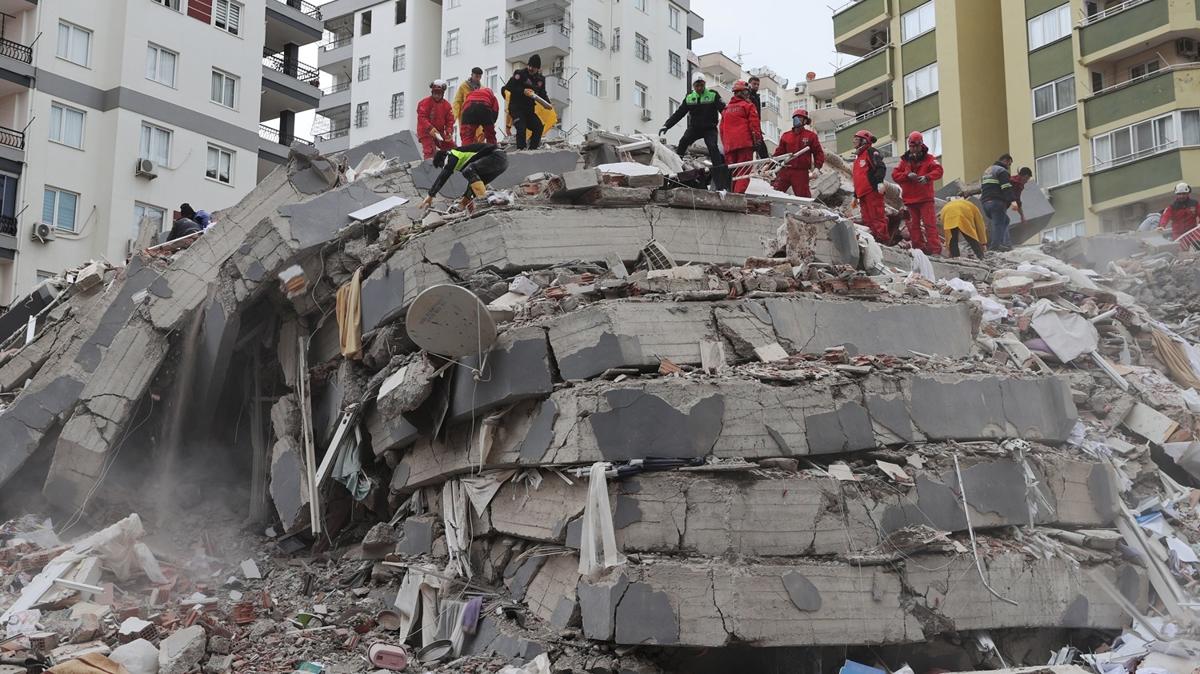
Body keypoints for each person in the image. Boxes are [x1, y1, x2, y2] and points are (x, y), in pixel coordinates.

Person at [892, 131, 945, 255]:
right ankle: (919, 251)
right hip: (910, 200)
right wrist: (907, 175)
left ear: (921, 145)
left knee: (929, 225)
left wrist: (927, 177)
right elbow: (895, 175)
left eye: (916, 146)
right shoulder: (904, 161)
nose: (914, 149)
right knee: (913, 227)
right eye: (912, 146)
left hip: (925, 199)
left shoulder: (929, 159)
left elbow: (939, 170)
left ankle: (935, 251)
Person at [418, 144, 508, 214]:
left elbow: (444, 175)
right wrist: (464, 202)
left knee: (467, 171)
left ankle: (484, 199)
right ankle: (494, 200)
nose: (444, 168)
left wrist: (430, 195)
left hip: (496, 156)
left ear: (443, 158)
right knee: (476, 180)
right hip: (501, 162)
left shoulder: (452, 154)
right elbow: (473, 184)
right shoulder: (465, 162)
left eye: (442, 165)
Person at [660, 73, 726, 169]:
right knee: (683, 142)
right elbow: (679, 113)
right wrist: (667, 125)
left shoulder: (713, 95)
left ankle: (719, 170)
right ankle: (677, 165)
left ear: (705, 84)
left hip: (709, 128)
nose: (699, 88)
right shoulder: (690, 97)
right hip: (695, 128)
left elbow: (724, 111)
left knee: (712, 146)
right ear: (693, 86)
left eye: (701, 85)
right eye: (697, 86)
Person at [718, 80, 762, 194]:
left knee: (733, 173)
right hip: (744, 145)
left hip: (729, 147)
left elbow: (721, 129)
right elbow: (754, 125)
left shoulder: (726, 110)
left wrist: (726, 145)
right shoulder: (748, 106)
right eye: (746, 93)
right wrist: (757, 141)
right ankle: (737, 197)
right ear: (742, 93)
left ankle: (731, 196)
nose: (748, 95)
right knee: (743, 173)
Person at [770, 109, 824, 198]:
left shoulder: (811, 136)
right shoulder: (786, 136)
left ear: (805, 121)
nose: (797, 119)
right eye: (795, 117)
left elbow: (818, 153)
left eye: (799, 117)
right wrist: (769, 164)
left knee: (804, 198)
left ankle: (807, 211)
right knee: (775, 193)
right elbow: (779, 153)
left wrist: (817, 167)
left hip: (801, 172)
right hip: (785, 170)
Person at [502, 54, 550, 150]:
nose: (531, 69)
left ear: (538, 69)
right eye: (530, 66)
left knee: (538, 127)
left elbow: (542, 93)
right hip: (516, 108)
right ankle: (521, 150)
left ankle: (532, 150)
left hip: (529, 110)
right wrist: (523, 91)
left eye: (534, 67)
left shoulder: (540, 80)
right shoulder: (520, 74)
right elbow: (508, 87)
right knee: (521, 128)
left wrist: (547, 103)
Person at [851, 130, 887, 243]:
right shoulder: (858, 158)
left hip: (872, 191)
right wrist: (855, 195)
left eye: (857, 140)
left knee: (877, 217)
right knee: (867, 219)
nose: (854, 142)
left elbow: (880, 167)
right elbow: (858, 178)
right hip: (862, 194)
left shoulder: (871, 152)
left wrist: (880, 182)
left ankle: (882, 239)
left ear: (864, 141)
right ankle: (872, 240)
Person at [980, 153, 1017, 252]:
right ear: (1006, 161)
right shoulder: (1001, 171)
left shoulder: (988, 171)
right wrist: (1013, 201)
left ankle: (1006, 244)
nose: (1008, 167)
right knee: (998, 224)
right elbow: (1006, 187)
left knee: (1005, 220)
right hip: (996, 201)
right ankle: (995, 247)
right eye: (1009, 164)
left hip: (985, 203)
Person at [417, 80, 455, 159]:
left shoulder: (447, 106)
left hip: (439, 132)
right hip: (425, 132)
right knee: (429, 150)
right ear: (432, 92)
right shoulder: (425, 103)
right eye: (435, 93)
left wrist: (449, 132)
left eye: (439, 94)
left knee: (452, 147)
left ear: (442, 94)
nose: (437, 96)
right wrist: (430, 128)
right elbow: (422, 117)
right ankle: (429, 168)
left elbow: (450, 121)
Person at [452, 67, 484, 141]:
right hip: (466, 118)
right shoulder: (463, 86)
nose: (478, 79)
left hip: (478, 118)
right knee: (468, 139)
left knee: (480, 139)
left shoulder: (482, 89)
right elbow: (457, 102)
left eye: (480, 77)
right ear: (471, 75)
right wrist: (453, 117)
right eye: (476, 76)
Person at [746, 76, 768, 159]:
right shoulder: (747, 96)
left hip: (756, 126)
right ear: (749, 84)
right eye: (754, 84)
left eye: (758, 84)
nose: (756, 86)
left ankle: (765, 165)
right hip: (749, 127)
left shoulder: (757, 97)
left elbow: (757, 114)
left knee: (762, 150)